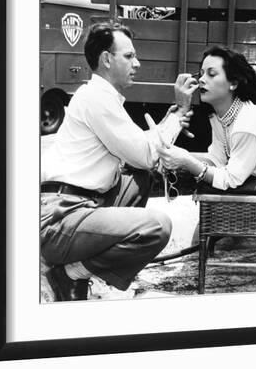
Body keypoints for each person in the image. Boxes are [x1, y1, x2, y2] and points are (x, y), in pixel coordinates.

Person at [40, 21, 197, 301]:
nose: (137, 63)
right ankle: (71, 274)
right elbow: (147, 154)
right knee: (157, 227)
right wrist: (178, 113)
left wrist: (172, 118)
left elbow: (141, 148)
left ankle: (84, 273)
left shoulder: (101, 97)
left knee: (139, 179)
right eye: (129, 56)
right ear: (106, 59)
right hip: (61, 218)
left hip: (80, 205)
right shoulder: (97, 99)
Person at [157, 46, 256, 190]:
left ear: (234, 83)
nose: (202, 80)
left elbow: (230, 179)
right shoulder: (219, 116)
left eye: (211, 74)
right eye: (201, 74)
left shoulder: (248, 122)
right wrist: (178, 155)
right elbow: (217, 160)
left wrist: (186, 160)